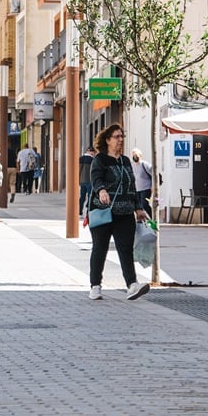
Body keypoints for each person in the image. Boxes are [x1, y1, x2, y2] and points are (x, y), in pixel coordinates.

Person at [86, 124, 150, 301]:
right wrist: (101, 190)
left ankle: (132, 285)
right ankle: (95, 286)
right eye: (117, 137)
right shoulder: (100, 160)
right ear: (108, 140)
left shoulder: (125, 161)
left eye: (122, 136)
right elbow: (96, 178)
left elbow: (132, 186)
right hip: (103, 212)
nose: (121, 140)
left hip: (125, 213)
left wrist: (138, 207)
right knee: (100, 248)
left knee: (125, 249)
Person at [130, 148, 154, 216]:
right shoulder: (132, 165)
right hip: (136, 189)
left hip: (146, 188)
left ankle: (152, 218)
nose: (134, 157)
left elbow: (154, 175)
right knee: (138, 206)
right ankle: (141, 220)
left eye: (136, 155)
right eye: (133, 155)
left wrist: (152, 186)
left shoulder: (145, 165)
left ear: (140, 155)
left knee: (144, 204)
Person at [78, 146, 95, 216]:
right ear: (90, 152)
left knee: (82, 196)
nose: (93, 154)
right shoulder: (93, 160)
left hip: (82, 181)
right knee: (90, 196)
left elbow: (78, 170)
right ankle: (88, 210)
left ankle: (80, 211)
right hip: (90, 181)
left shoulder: (80, 158)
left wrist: (78, 180)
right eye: (93, 152)